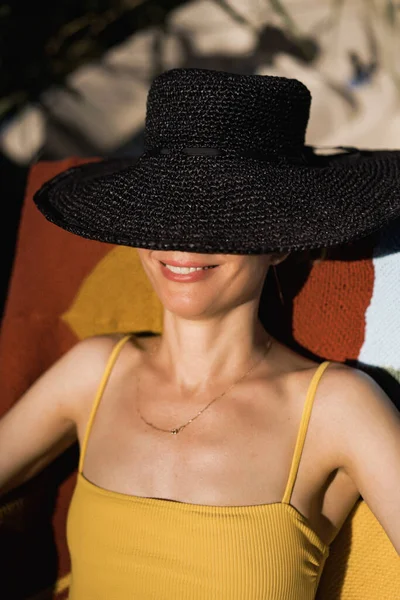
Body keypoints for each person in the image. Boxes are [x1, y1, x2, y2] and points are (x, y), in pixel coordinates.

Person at [1, 67, 400, 599]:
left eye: (224, 217)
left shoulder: (336, 408)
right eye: (162, 213)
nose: (183, 244)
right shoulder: (94, 371)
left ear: (280, 243)